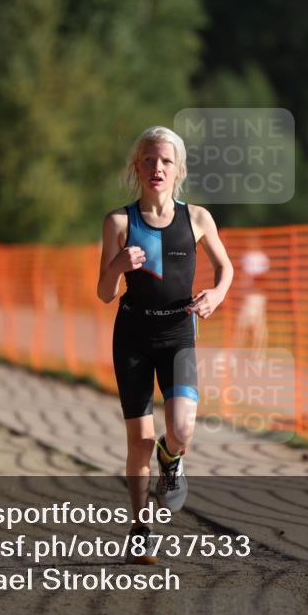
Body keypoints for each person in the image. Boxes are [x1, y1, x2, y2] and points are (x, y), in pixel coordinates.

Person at [97, 126, 233, 563]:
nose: (158, 168)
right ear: (137, 167)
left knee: (182, 430)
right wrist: (118, 264)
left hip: (178, 334)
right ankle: (141, 528)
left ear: (179, 169)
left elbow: (225, 268)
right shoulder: (119, 222)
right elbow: (104, 291)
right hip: (134, 334)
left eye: (166, 161)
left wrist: (217, 293)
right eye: (149, 160)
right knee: (139, 440)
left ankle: (171, 461)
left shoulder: (196, 218)